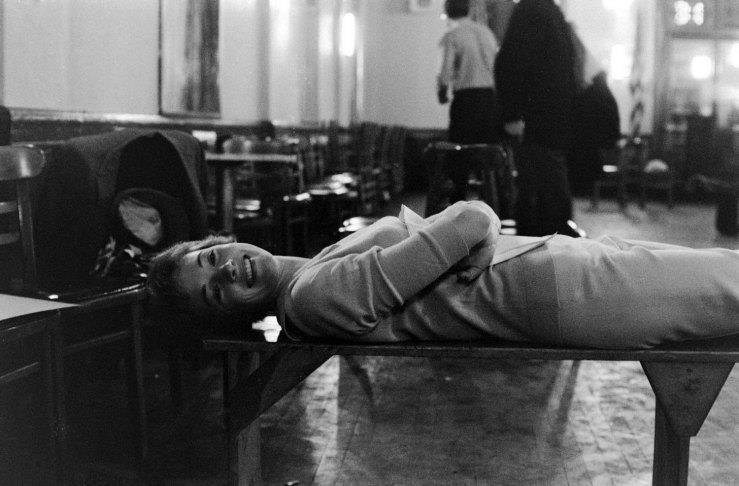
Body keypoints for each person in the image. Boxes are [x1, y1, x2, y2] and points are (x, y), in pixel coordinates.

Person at [147, 200, 739, 350]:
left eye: (211, 260)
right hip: (571, 294)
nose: (228, 271)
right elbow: (471, 220)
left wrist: (474, 232)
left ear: (219, 242)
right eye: (215, 293)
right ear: (230, 317)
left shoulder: (311, 274)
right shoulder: (310, 298)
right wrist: (477, 226)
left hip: (559, 270)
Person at [494, 0, 578, 236]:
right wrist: (512, 114)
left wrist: (512, 114)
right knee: (544, 191)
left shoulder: (537, 10)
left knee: (539, 190)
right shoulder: (542, 11)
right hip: (544, 119)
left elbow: (511, 63)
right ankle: (547, 246)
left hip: (541, 120)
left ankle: (541, 246)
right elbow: (512, 64)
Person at [436, 0, 501, 204]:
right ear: (468, 9)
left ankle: (458, 202)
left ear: (447, 11)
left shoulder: (452, 35)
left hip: (466, 100)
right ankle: (492, 202)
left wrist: (442, 92)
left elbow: (445, 72)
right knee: (487, 154)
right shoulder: (487, 33)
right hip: (491, 99)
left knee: (460, 153)